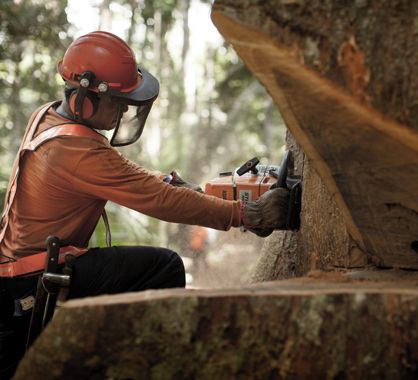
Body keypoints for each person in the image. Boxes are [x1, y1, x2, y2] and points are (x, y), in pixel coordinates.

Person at [0, 31, 289, 378]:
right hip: (31, 284)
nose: (124, 109)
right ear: (84, 97)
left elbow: (128, 174)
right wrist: (245, 214)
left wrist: (174, 183)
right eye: (118, 100)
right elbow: (155, 200)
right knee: (164, 266)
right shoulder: (74, 151)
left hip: (21, 271)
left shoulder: (50, 117)